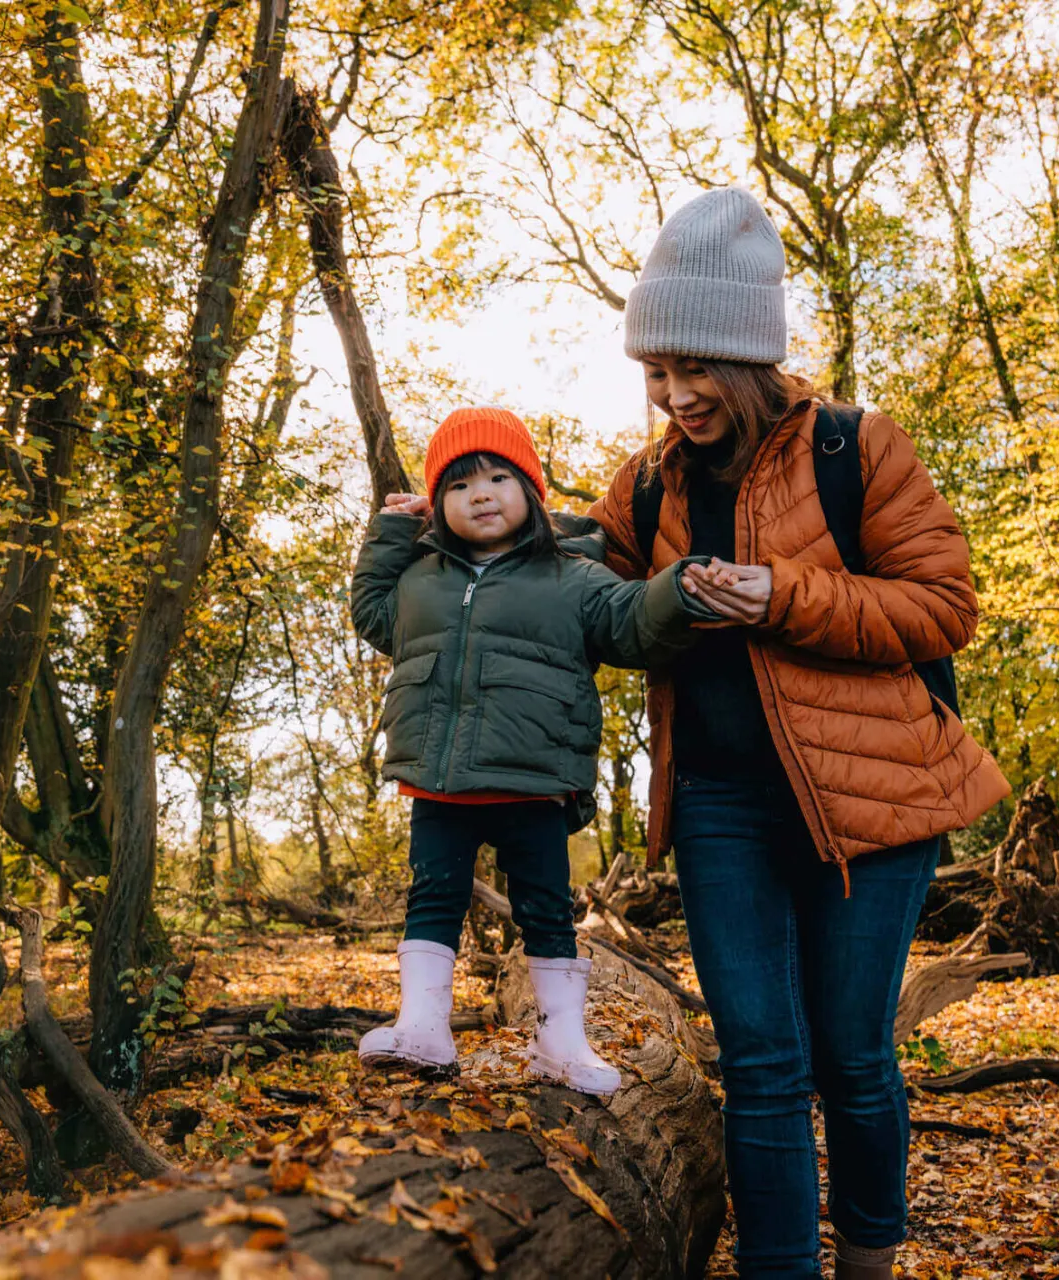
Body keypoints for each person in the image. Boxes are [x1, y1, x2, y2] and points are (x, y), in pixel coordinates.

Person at [587, 188, 1011, 1279]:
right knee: (763, 1060)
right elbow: (591, 605)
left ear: (747, 354)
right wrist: (440, 521)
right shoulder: (641, 489)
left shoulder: (854, 447)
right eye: (656, 373)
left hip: (873, 801)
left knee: (854, 1054)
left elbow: (942, 607)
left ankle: (870, 1261)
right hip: (723, 808)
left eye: (694, 369)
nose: (676, 396)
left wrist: (785, 593)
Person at [349, 406, 709, 1094]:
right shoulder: (422, 578)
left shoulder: (572, 573)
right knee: (433, 896)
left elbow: (630, 626)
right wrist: (393, 532)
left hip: (534, 779)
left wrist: (679, 589)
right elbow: (371, 613)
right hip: (439, 781)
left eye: (496, 478)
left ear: (531, 490)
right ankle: (422, 1024)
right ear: (436, 505)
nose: (479, 494)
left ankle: (561, 1043)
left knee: (545, 907)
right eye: (457, 486)